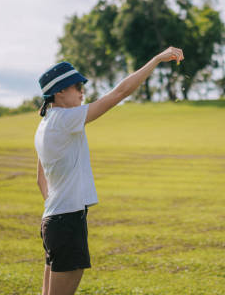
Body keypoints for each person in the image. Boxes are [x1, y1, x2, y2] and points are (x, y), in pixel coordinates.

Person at [34, 46, 184, 295]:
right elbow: (120, 93)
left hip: (53, 221)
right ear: (59, 91)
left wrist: (57, 207)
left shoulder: (45, 124)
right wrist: (157, 59)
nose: (83, 93)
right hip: (66, 222)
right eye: (77, 88)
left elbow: (40, 180)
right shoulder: (64, 119)